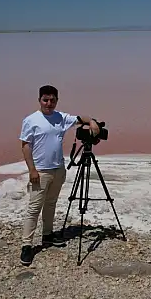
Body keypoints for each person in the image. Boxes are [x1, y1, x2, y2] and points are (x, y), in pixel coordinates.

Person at [18, 84, 101, 266]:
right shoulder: (31, 120)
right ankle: (27, 245)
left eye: (52, 100)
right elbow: (25, 146)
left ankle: (48, 235)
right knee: (34, 208)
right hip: (40, 171)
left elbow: (82, 118)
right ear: (39, 100)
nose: (49, 103)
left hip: (58, 169)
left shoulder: (61, 117)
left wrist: (92, 122)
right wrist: (32, 170)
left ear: (57, 100)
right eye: (45, 100)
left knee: (50, 204)